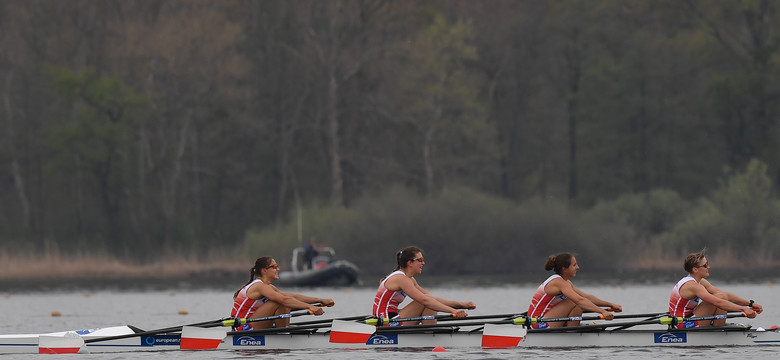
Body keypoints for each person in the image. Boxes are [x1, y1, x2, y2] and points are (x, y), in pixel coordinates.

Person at [373, 246, 476, 325]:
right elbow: (424, 301)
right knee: (425, 302)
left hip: (392, 318)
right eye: (420, 260)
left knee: (429, 301)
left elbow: (431, 298)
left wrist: (462, 305)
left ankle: (430, 337)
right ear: (410, 263)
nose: (423, 263)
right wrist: (454, 311)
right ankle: (430, 339)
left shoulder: (409, 279)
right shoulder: (401, 279)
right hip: (385, 322)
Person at [231, 256, 335, 330]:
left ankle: (284, 332)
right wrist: (310, 307)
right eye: (275, 267)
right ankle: (283, 334)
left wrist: (320, 300)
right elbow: (284, 300)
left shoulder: (269, 287)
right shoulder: (259, 286)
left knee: (284, 300)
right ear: (264, 270)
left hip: (253, 323)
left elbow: (294, 296)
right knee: (280, 301)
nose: (278, 269)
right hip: (242, 327)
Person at [669, 250, 761, 328]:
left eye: (707, 264)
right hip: (682, 324)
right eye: (705, 265)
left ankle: (719, 329)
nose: (708, 267)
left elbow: (726, 295)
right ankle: (719, 332)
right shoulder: (692, 286)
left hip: (687, 318)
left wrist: (750, 304)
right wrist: (743, 310)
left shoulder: (700, 282)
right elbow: (718, 302)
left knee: (722, 296)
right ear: (695, 269)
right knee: (720, 298)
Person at [527, 253, 622, 329]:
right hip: (537, 324)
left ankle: (572, 332)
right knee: (574, 301)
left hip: (547, 319)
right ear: (564, 269)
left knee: (578, 302)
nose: (577, 267)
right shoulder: (558, 282)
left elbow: (586, 297)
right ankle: (572, 334)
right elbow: (579, 300)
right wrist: (602, 312)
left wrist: (610, 304)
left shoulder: (566, 282)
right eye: (574, 265)